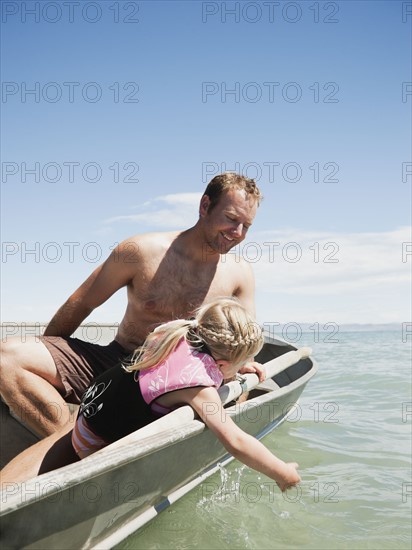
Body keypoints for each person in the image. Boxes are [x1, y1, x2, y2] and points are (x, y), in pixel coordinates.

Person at [0, 173, 263, 479]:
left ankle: (88, 440)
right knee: (8, 357)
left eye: (247, 226)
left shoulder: (239, 273)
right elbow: (81, 303)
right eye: (231, 219)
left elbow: (245, 339)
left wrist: (246, 366)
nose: (238, 232)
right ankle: (78, 442)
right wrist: (51, 360)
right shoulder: (140, 251)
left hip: (176, 387)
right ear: (205, 206)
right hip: (117, 364)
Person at [3, 298, 300, 491]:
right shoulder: (198, 387)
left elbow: (205, 363)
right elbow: (236, 442)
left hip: (89, 412)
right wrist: (282, 473)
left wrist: (238, 368)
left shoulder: (177, 332)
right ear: (221, 362)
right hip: (93, 444)